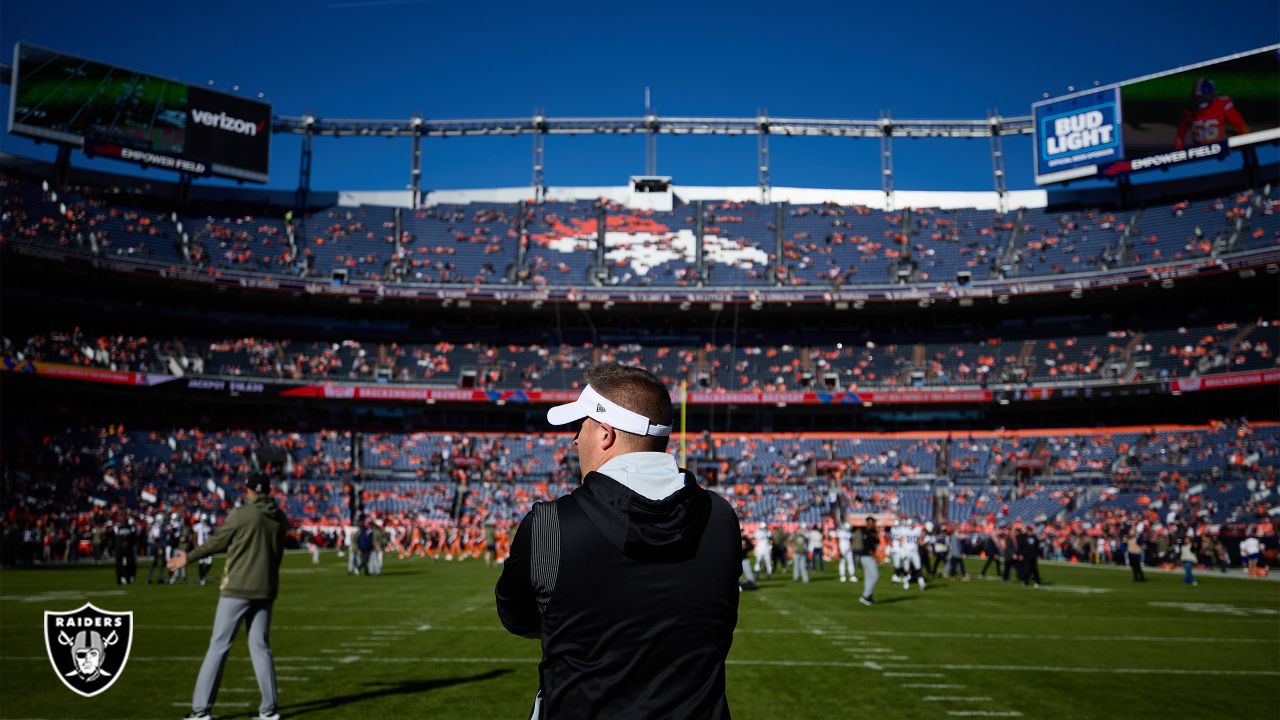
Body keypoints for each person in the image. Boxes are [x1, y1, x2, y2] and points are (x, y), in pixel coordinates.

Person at [495, 364, 741, 719]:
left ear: (605, 435)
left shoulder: (550, 525)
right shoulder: (721, 518)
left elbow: (517, 616)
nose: (575, 439)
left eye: (581, 426)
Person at [169, 472, 288, 720]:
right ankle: (269, 709)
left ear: (249, 491)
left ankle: (201, 710)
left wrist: (187, 558)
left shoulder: (242, 514)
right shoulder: (280, 517)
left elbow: (216, 543)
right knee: (260, 647)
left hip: (238, 589)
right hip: (266, 588)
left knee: (219, 646)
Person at [1174, 77, 1249, 151]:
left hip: (1220, 151)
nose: (1199, 101)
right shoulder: (1189, 110)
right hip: (1201, 152)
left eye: (1202, 97)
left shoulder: (1221, 104)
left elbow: (1240, 125)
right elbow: (1180, 137)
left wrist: (1246, 145)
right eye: (1197, 98)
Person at [858, 517, 880, 606]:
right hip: (868, 556)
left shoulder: (870, 532)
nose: (874, 524)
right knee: (875, 576)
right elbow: (869, 547)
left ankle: (869, 597)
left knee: (868, 578)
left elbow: (877, 541)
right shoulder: (868, 533)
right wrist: (875, 557)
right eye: (872, 522)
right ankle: (865, 596)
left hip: (865, 556)